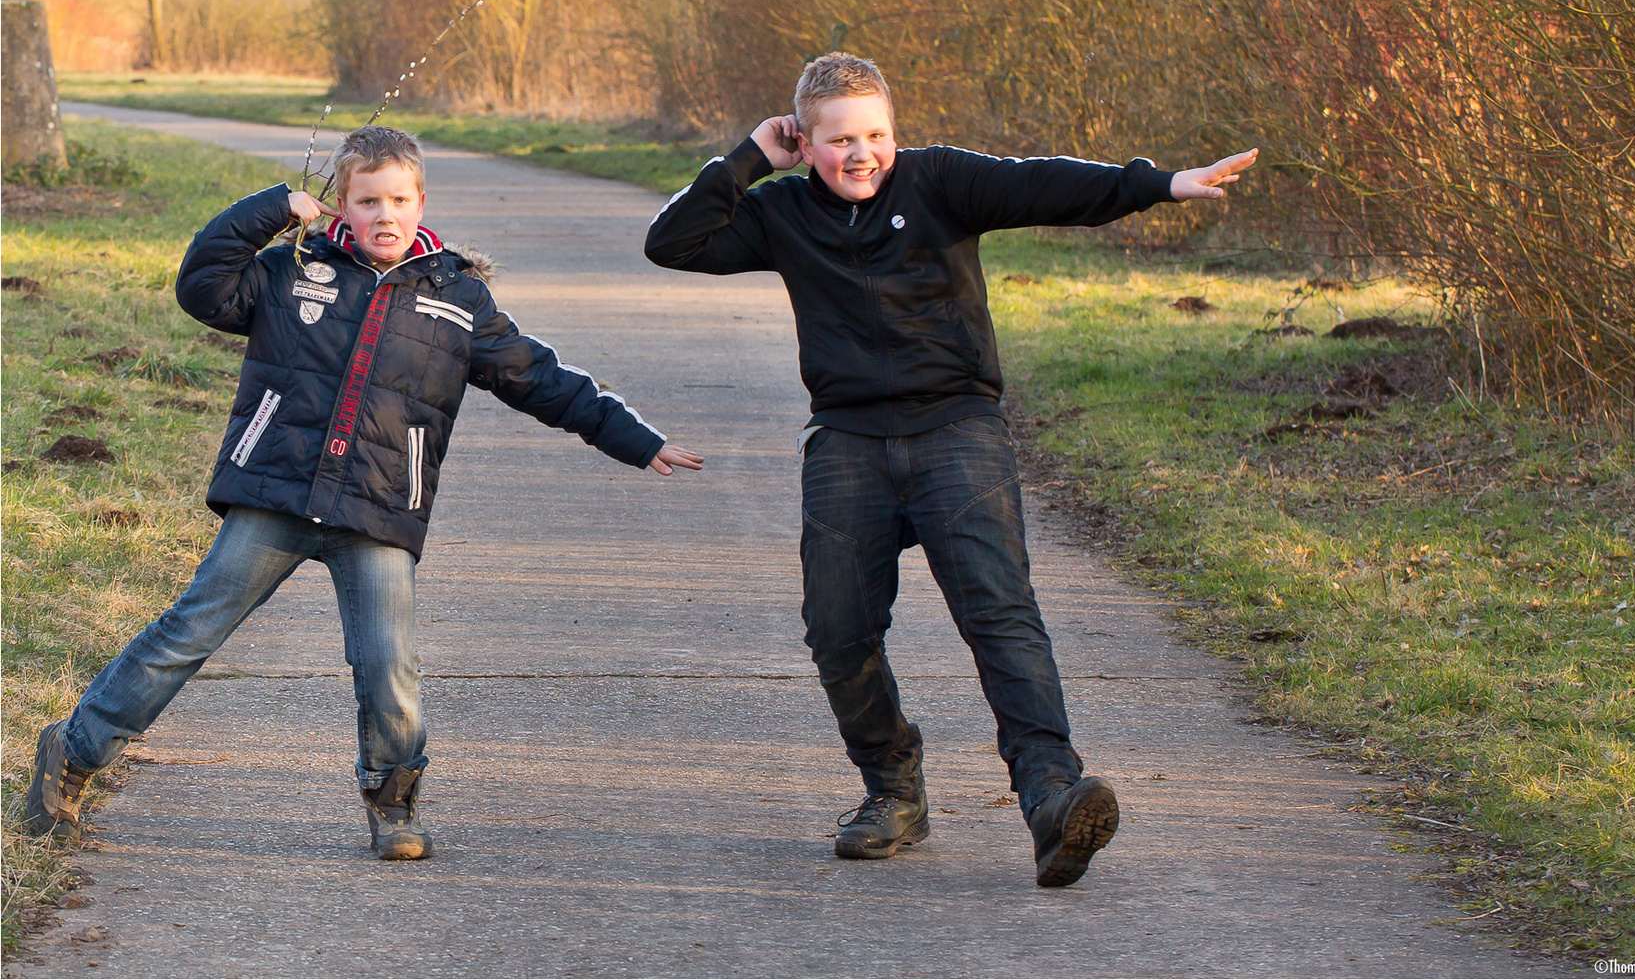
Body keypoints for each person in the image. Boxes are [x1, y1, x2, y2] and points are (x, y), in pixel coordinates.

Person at [645, 52, 1255, 887]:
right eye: (838, 140)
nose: (861, 155)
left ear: (895, 131)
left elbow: (1049, 186)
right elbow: (672, 240)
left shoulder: (941, 183)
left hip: (955, 428)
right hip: (848, 439)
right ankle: (892, 788)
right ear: (804, 140)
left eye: (876, 135)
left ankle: (1051, 795)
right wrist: (749, 158)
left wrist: (1162, 183)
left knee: (998, 612)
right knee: (838, 627)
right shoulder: (782, 211)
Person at [27, 125, 703, 861]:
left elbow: (541, 380)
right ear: (339, 206)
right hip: (276, 497)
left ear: (421, 202)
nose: (386, 215)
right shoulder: (291, 273)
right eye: (368, 200)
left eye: (400, 199)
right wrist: (270, 211)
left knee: (388, 663)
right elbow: (202, 285)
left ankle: (393, 801)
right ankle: (73, 752)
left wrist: (636, 440)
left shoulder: (457, 299)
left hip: (378, 510)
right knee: (189, 632)